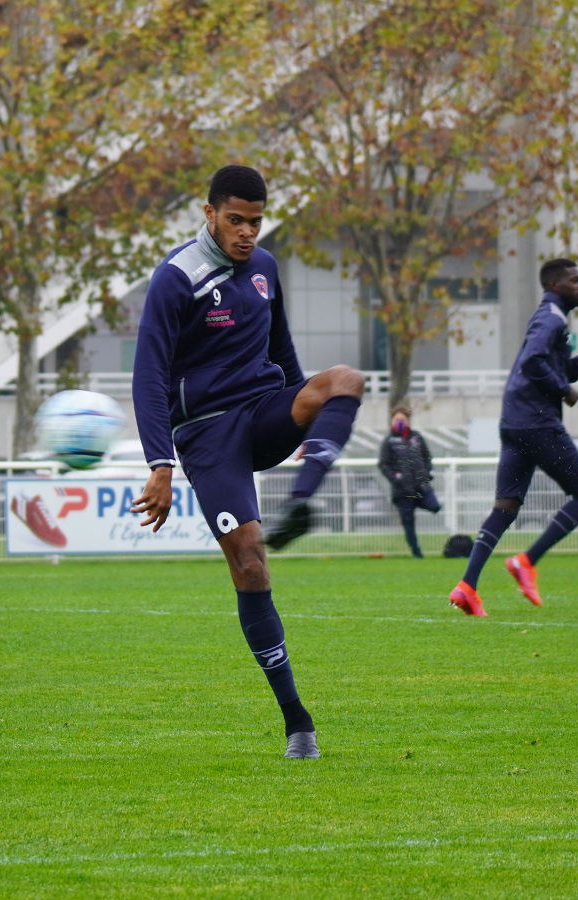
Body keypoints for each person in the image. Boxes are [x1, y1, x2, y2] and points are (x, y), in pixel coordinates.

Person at [130, 165, 365, 759]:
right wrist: (161, 464)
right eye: (235, 220)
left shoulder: (265, 268)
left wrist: (298, 402)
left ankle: (301, 502)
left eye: (256, 222)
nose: (246, 233)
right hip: (208, 437)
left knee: (343, 381)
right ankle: (297, 720)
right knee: (251, 562)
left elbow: (282, 350)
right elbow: (149, 377)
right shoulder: (175, 279)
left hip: (261, 411)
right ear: (208, 213)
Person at [448, 258, 578, 616]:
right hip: (536, 422)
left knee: (505, 507)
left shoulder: (550, 318)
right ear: (553, 285)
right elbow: (533, 362)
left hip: (515, 422)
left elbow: (550, 367)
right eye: (574, 280)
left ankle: (467, 586)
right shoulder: (551, 317)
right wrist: (565, 390)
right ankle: (526, 562)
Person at [378, 404, 440, 558]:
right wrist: (396, 478)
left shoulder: (416, 437)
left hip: (421, 486)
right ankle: (416, 552)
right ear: (392, 421)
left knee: (434, 506)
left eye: (403, 419)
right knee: (408, 522)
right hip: (402, 491)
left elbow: (427, 457)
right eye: (397, 419)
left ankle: (416, 503)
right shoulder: (389, 441)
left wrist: (427, 473)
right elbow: (384, 464)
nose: (400, 422)